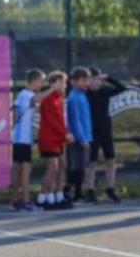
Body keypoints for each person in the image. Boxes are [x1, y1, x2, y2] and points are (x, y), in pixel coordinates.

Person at [86, 67, 127, 202]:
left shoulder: (104, 91)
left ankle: (110, 189)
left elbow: (122, 88)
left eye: (98, 79)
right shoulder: (84, 94)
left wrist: (108, 78)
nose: (95, 82)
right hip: (91, 132)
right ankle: (90, 190)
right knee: (91, 162)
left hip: (105, 130)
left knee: (111, 160)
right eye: (92, 79)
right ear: (87, 80)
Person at [10, 68, 45, 211]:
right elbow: (35, 99)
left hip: (20, 138)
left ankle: (15, 200)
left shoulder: (22, 95)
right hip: (22, 139)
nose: (41, 85)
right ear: (34, 80)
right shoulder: (27, 94)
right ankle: (25, 200)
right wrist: (53, 89)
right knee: (25, 170)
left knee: (18, 170)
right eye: (41, 81)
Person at [37, 71, 72, 209]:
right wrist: (65, 134)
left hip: (58, 139)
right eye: (62, 82)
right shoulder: (48, 98)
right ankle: (44, 197)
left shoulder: (59, 98)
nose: (64, 85)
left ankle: (58, 195)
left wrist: (65, 134)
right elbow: (52, 121)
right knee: (52, 168)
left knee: (62, 166)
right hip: (49, 139)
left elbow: (61, 120)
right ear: (54, 83)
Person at [65, 67, 94, 203]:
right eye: (83, 80)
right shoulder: (74, 97)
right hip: (78, 138)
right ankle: (67, 190)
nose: (86, 83)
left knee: (82, 166)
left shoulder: (83, 95)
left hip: (86, 136)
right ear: (74, 82)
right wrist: (81, 138)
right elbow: (74, 120)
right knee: (77, 167)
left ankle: (77, 193)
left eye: (87, 80)